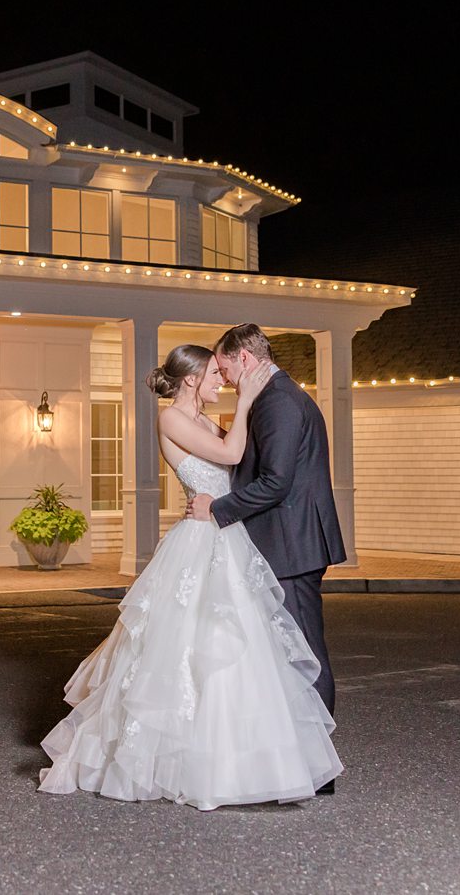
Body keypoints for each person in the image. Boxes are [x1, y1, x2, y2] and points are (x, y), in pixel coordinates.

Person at [37, 344, 342, 810]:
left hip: (226, 534)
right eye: (213, 374)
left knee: (241, 651)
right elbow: (232, 451)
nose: (221, 380)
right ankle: (185, 761)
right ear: (191, 378)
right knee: (190, 651)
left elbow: (241, 466)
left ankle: (254, 762)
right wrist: (245, 403)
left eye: (223, 372)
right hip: (201, 541)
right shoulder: (171, 419)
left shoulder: (203, 418)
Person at [188, 325, 347, 773]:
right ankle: (296, 758)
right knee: (284, 650)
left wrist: (217, 509)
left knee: (305, 653)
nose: (225, 378)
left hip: (292, 544)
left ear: (246, 360)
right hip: (287, 540)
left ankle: (318, 768)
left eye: (225, 368)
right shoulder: (275, 396)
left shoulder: (277, 401)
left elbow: (275, 482)